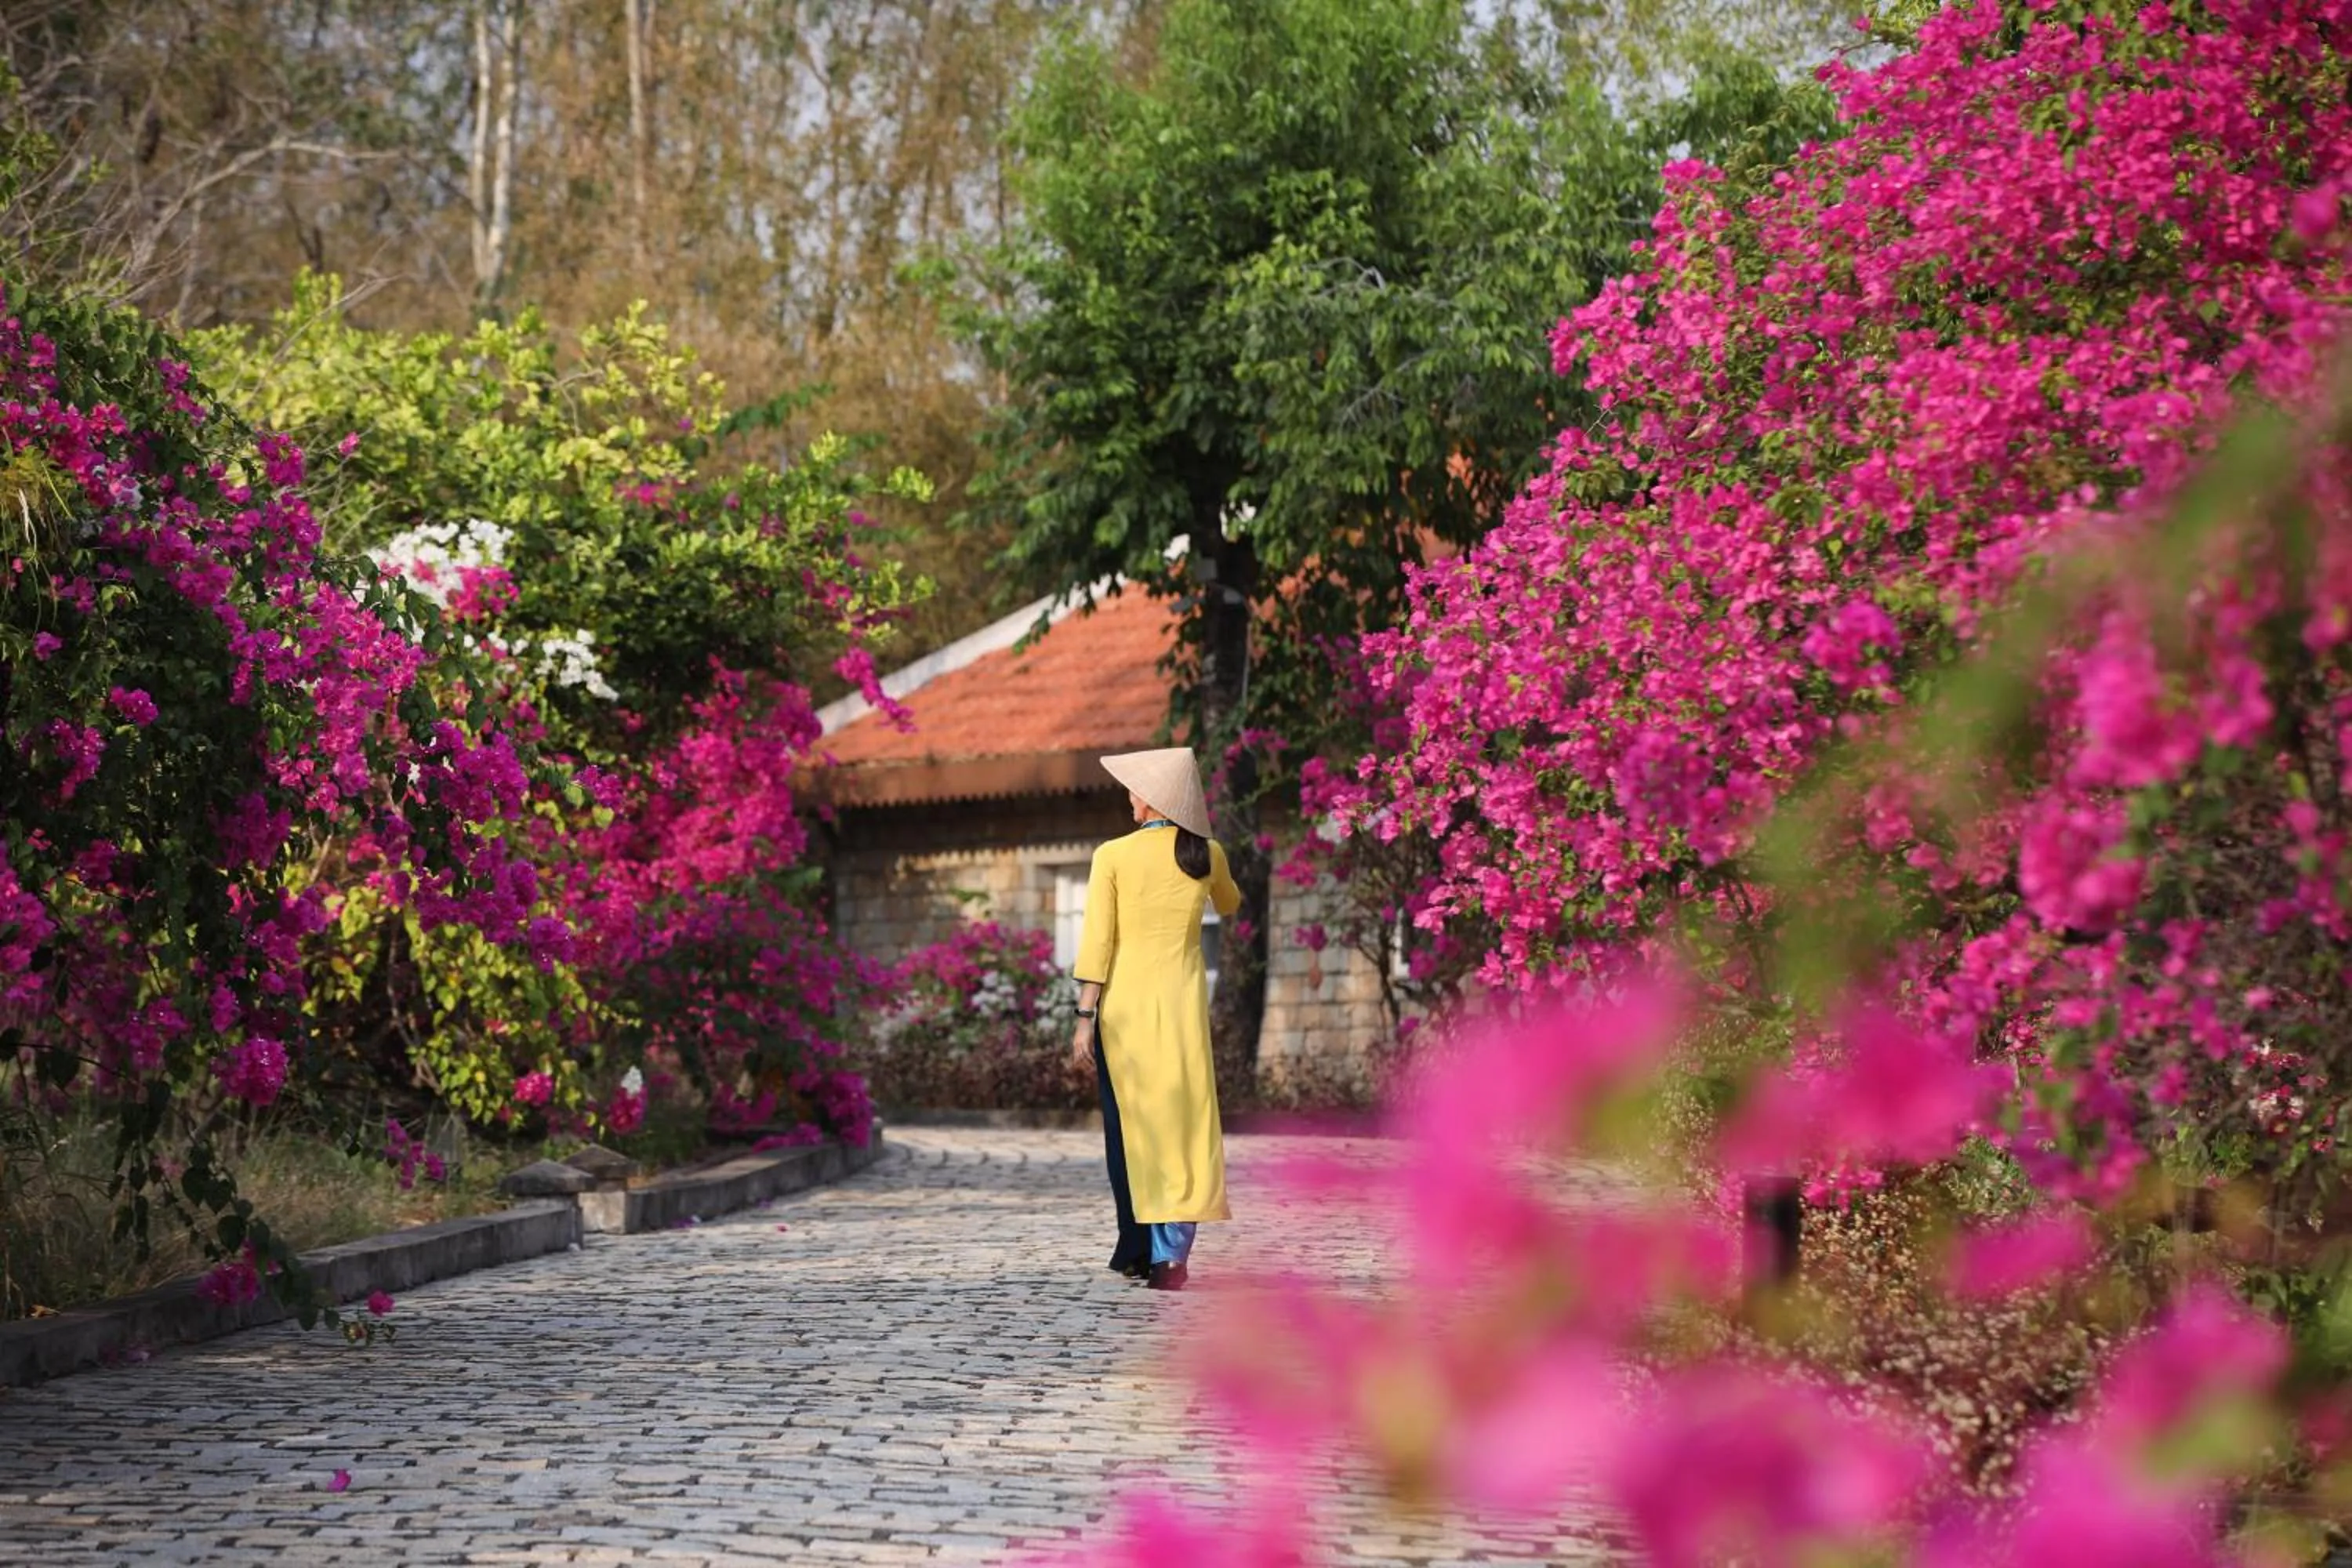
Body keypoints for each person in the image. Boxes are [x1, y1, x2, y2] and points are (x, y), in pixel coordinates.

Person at [1069, 746, 1242, 1291]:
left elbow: (1098, 942)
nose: (1128, 797)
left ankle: (1139, 1248)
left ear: (1153, 797)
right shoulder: (1206, 854)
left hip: (1124, 1014)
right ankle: (1172, 1255)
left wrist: (1083, 1016)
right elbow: (1231, 903)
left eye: (1134, 789)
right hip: (1184, 1009)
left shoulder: (1112, 856)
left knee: (1135, 1130)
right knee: (1185, 1127)